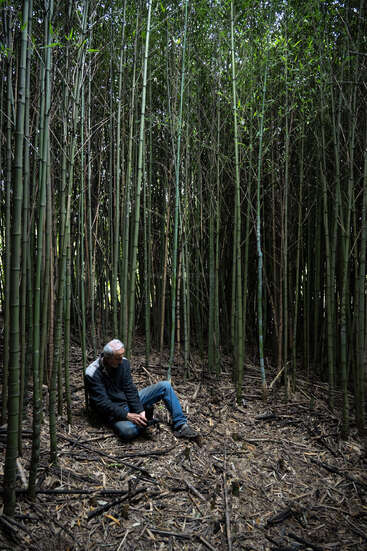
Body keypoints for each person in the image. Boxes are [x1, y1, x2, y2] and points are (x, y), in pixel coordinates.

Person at [85, 339, 198, 441]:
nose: (121, 361)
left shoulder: (123, 363)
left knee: (165, 386)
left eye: (122, 356)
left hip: (127, 402)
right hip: (113, 411)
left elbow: (130, 389)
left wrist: (139, 410)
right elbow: (103, 404)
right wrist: (127, 415)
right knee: (127, 432)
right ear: (108, 358)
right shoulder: (92, 373)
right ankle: (145, 422)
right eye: (118, 358)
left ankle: (181, 425)